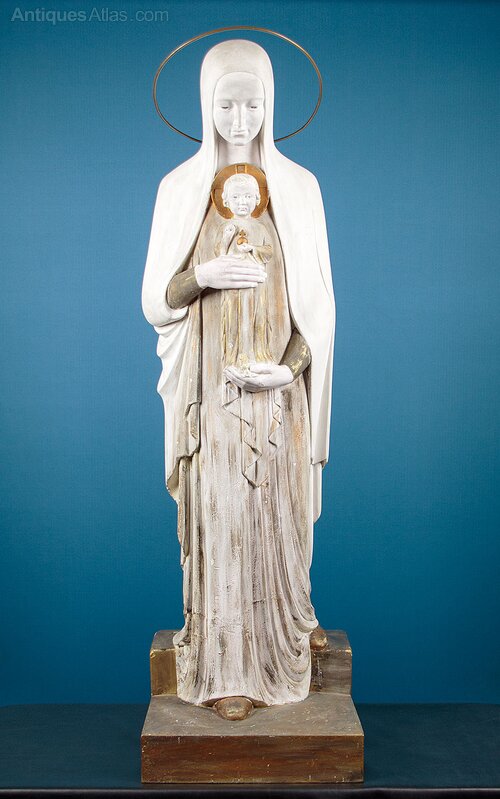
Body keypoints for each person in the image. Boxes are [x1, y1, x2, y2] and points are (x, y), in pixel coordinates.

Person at [142, 39, 335, 721]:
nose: (240, 118)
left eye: (253, 104)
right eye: (226, 104)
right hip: (215, 400)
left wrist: (286, 369)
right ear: (205, 104)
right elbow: (156, 299)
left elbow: (320, 314)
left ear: (272, 103)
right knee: (224, 522)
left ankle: (287, 631)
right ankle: (226, 667)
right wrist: (205, 275)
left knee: (276, 523)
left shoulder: (299, 189)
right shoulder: (180, 188)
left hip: (277, 396)